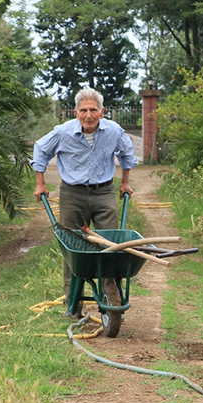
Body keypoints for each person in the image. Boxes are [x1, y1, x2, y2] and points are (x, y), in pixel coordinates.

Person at [30, 88, 137, 313]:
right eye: (84, 110)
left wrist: (125, 182)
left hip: (104, 192)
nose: (88, 115)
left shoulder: (113, 131)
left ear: (102, 112)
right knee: (73, 248)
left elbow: (126, 153)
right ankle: (73, 303)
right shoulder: (63, 132)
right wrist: (40, 183)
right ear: (76, 112)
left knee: (111, 246)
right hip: (72, 194)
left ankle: (111, 296)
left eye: (93, 110)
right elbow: (40, 149)